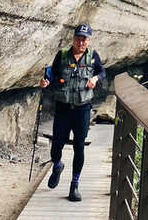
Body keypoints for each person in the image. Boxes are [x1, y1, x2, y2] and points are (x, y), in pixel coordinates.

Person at [40, 24, 105, 202]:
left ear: (89, 41)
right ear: (73, 38)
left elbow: (102, 72)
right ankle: (57, 165)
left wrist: (95, 78)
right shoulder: (62, 56)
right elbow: (52, 76)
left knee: (79, 145)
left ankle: (74, 186)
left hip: (83, 108)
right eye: (78, 38)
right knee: (57, 145)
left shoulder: (93, 56)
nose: (81, 42)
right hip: (63, 107)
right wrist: (46, 82)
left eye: (84, 39)